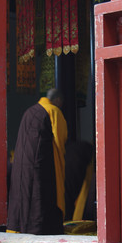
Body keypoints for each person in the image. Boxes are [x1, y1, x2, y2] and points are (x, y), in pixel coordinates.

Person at [7, 102, 64, 235]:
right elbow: (60, 142)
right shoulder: (51, 112)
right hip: (39, 172)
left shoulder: (32, 114)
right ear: (58, 100)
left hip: (25, 171)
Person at [38, 88, 68, 218]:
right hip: (51, 160)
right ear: (58, 100)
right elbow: (59, 140)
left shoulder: (32, 111)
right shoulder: (54, 111)